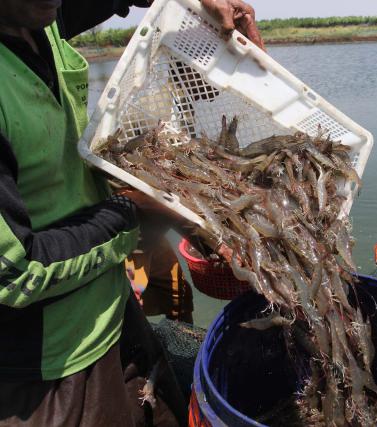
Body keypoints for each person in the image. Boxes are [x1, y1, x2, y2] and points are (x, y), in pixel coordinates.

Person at [0, 0, 262, 425]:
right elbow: (13, 270)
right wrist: (132, 212)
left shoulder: (40, 18)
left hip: (115, 309)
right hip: (50, 370)